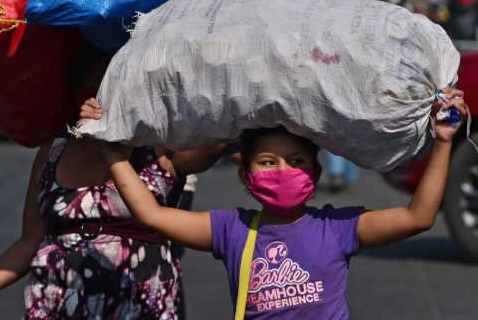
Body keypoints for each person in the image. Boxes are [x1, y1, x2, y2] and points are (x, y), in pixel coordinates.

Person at [96, 87, 467, 319]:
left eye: (297, 161)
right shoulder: (231, 230)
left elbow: (417, 217)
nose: (283, 170)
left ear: (315, 175)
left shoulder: (337, 228)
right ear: (247, 177)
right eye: (268, 162)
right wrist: (111, 147)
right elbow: (151, 214)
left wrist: (443, 142)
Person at [0, 54, 231, 320]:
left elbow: (211, 146)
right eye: (91, 85)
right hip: (56, 301)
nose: (99, 95)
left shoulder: (157, 145)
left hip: (137, 301)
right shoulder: (53, 152)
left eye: (109, 85)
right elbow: (30, 240)